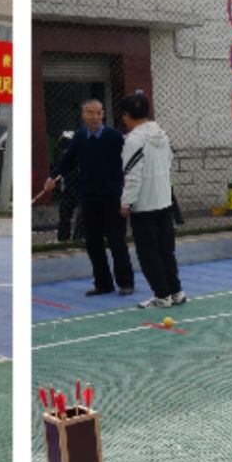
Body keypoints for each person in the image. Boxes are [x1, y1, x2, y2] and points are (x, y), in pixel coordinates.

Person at [44, 100, 133, 295]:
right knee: (93, 243)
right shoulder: (80, 137)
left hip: (113, 197)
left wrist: (128, 192)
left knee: (116, 241)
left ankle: (126, 283)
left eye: (99, 113)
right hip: (89, 198)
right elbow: (67, 161)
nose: (95, 117)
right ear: (83, 115)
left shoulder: (115, 137)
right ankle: (103, 284)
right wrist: (53, 177)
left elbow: (130, 163)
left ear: (103, 115)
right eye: (90, 113)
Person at [119, 92, 183, 308]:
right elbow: (168, 162)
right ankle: (176, 292)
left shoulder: (133, 140)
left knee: (148, 253)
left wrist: (126, 202)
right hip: (164, 201)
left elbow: (132, 175)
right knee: (166, 250)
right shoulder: (163, 135)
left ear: (126, 115)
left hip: (144, 205)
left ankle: (162, 295)